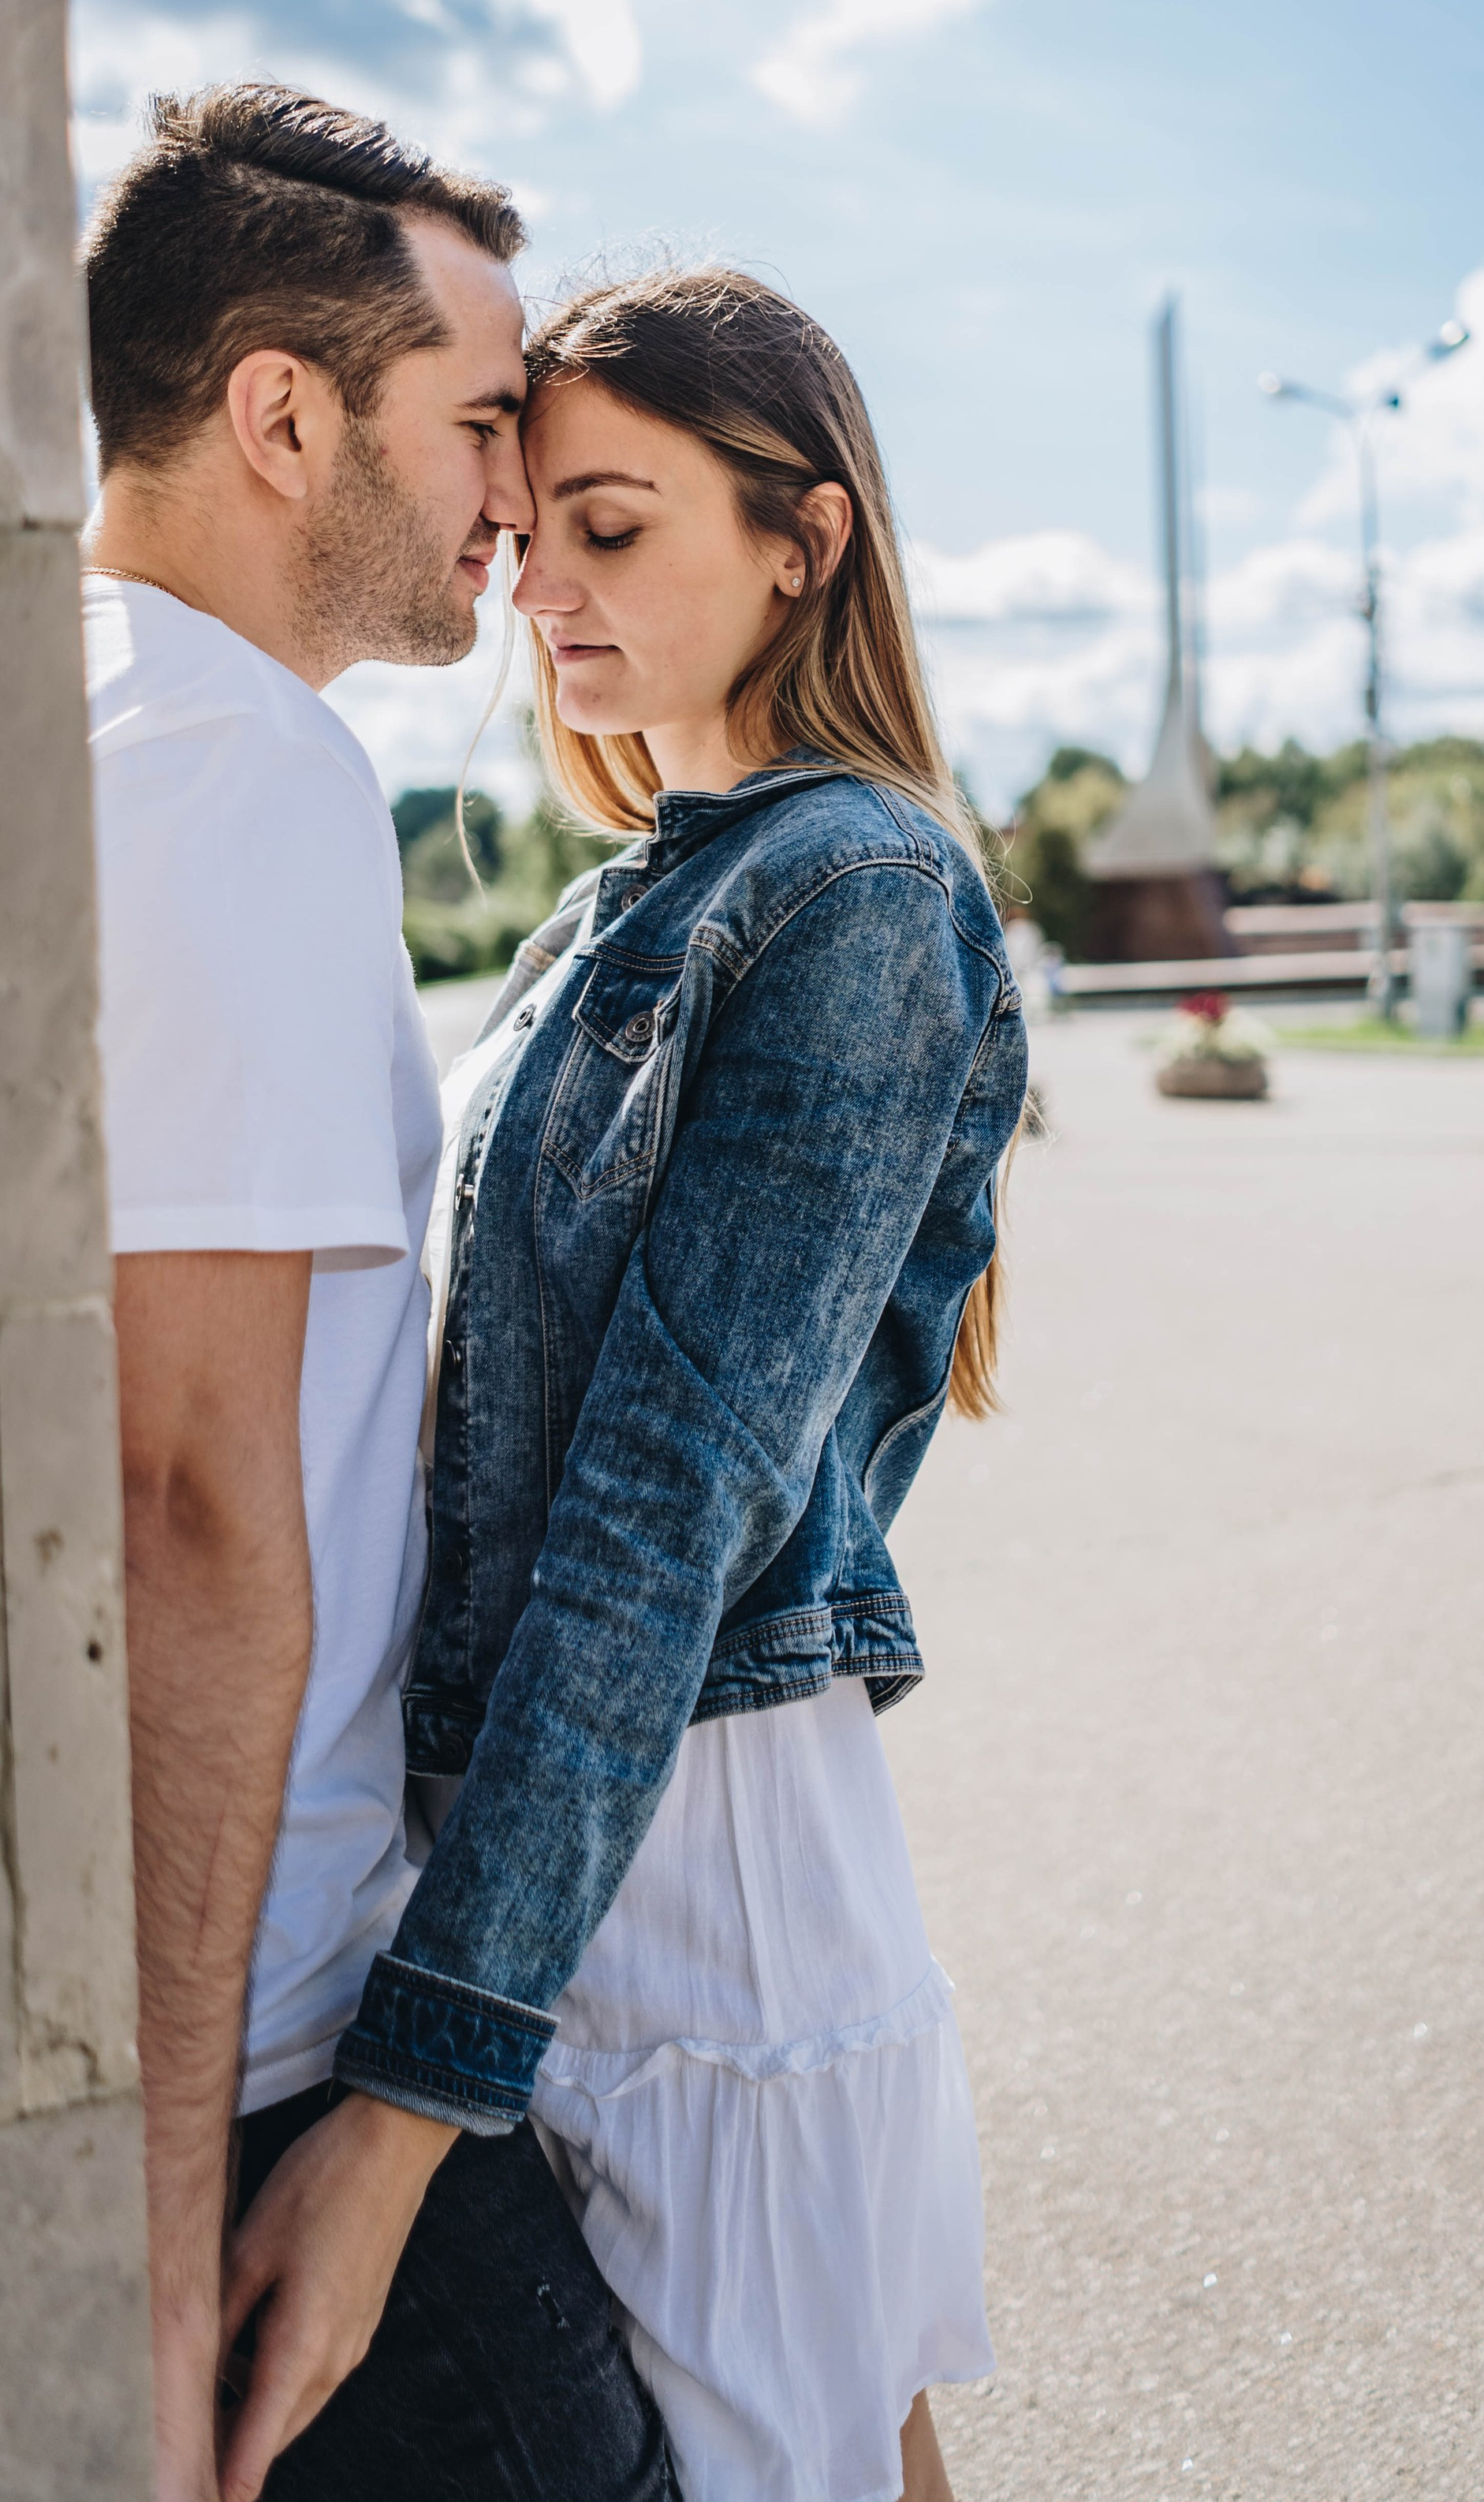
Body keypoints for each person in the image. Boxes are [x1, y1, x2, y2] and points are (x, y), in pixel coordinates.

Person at [240, 266, 1027, 2502]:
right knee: (830, 2441)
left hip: (685, 1845)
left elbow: (658, 1512)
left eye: (615, 525)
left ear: (807, 539)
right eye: (529, 534)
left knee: (788, 2447)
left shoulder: (853, 892)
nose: (544, 591)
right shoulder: (620, 908)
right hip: (548, 1824)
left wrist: (419, 2075)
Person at [80, 84, 677, 2502]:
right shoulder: (237, 762)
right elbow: (194, 1500)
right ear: (281, 411)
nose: (512, 500)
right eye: (475, 421)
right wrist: (154, 2242)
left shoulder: (58, 715)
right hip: (262, 2057)